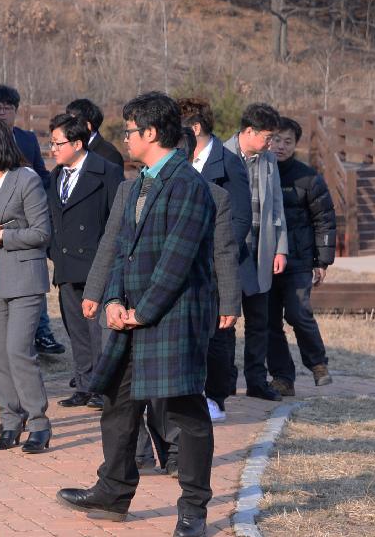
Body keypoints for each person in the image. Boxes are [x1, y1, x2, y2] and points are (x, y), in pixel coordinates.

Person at [58, 92, 216, 537]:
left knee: (184, 414)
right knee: (118, 403)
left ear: (150, 133)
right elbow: (120, 253)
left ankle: (193, 511)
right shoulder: (136, 185)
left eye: (128, 131)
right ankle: (113, 491)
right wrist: (111, 301)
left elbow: (177, 261)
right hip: (129, 317)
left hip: (170, 319)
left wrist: (141, 313)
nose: (123, 138)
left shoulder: (189, 186)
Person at [134, 126, 242, 478]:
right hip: (141, 303)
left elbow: (224, 252)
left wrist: (229, 301)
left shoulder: (213, 196)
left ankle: (180, 455)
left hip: (189, 304)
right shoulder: (137, 191)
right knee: (147, 389)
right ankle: (147, 453)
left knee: (181, 387)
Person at [0, 117, 53, 453]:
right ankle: (10, 421)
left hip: (24, 278)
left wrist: (2, 236)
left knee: (18, 350)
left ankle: (39, 424)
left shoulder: (26, 179)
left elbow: (42, 233)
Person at [178, 97, 251, 421]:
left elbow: (240, 218)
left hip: (216, 262)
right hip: (186, 264)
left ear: (193, 128)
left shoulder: (228, 162)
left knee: (219, 333)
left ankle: (216, 396)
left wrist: (216, 251)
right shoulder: (181, 161)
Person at [47, 113, 123, 410]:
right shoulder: (55, 176)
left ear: (77, 143)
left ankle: (104, 389)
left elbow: (116, 222)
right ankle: (84, 384)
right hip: (66, 265)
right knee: (76, 328)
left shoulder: (107, 172)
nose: (52, 149)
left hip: (97, 263)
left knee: (99, 331)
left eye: (57, 143)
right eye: (51, 143)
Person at [0, 85, 63, 356]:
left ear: (16, 112)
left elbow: (42, 175)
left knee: (32, 277)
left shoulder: (27, 139)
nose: (2, 112)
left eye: (7, 108)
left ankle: (41, 333)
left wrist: (39, 197)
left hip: (27, 220)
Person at [224, 103, 288, 402]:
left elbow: (276, 206)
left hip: (260, 250)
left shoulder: (268, 160)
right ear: (248, 131)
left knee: (259, 322)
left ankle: (256, 380)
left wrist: (280, 248)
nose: (271, 143)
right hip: (229, 252)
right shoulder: (221, 155)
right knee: (224, 322)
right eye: (268, 136)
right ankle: (222, 381)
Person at [267, 117, 335, 395]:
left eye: (288, 142)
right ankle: (283, 378)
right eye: (277, 140)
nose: (281, 147)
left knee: (298, 313)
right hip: (264, 262)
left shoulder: (308, 178)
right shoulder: (256, 172)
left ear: (296, 145)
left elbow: (324, 220)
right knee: (269, 322)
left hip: (298, 261)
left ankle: (318, 363)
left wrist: (322, 261)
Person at [66, 98, 125, 168]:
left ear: (88, 126)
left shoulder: (109, 155)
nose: (66, 127)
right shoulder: (68, 151)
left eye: (71, 123)